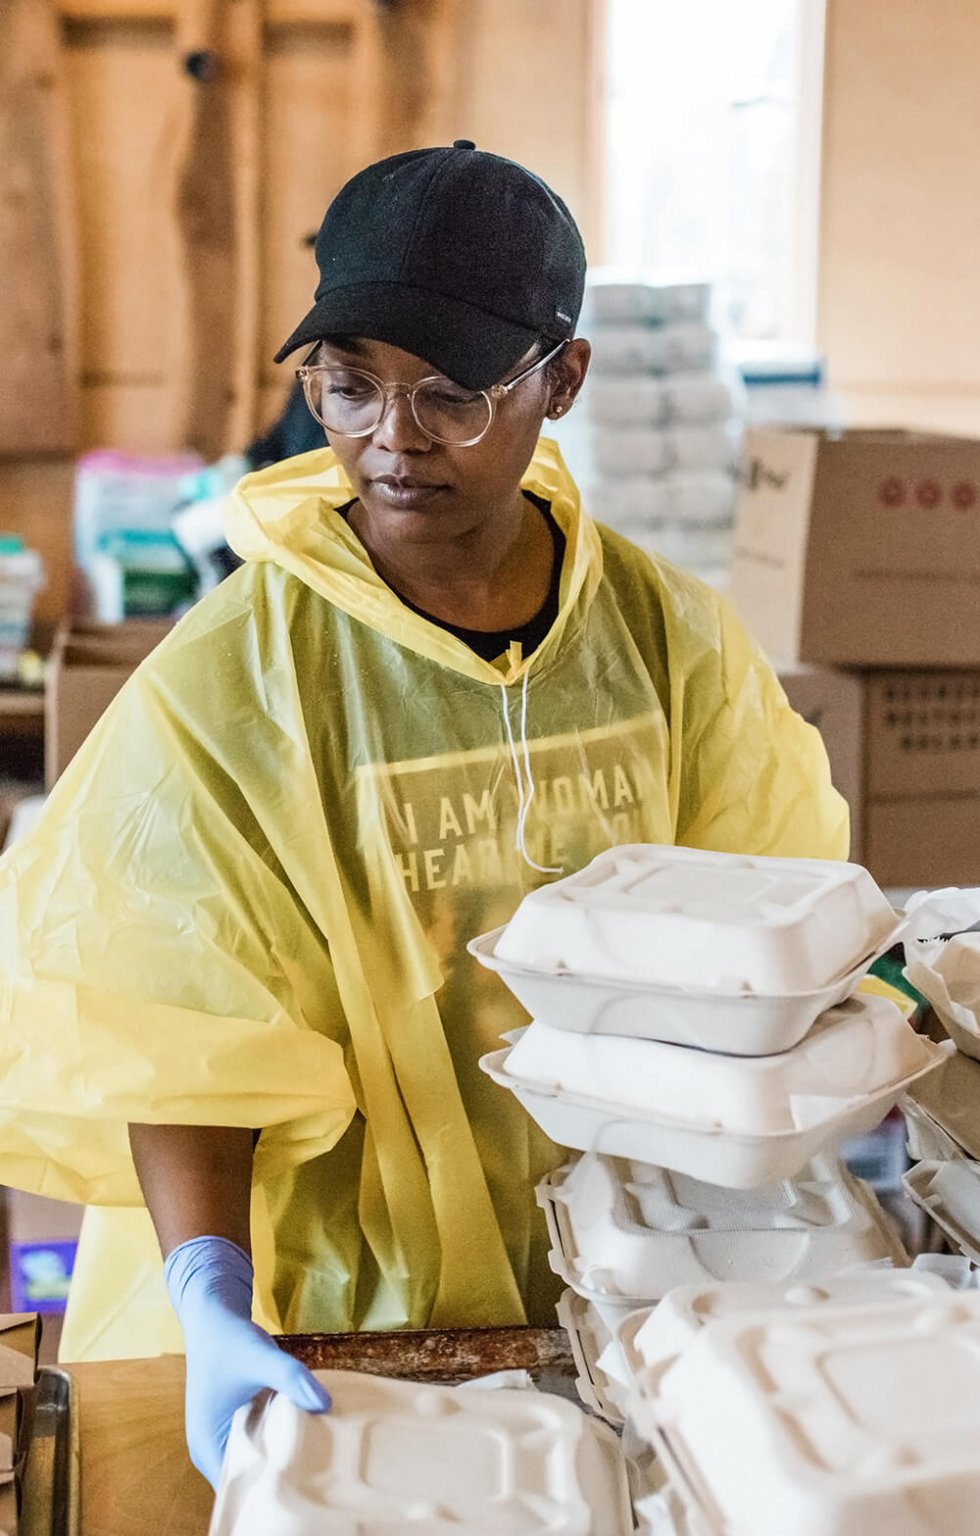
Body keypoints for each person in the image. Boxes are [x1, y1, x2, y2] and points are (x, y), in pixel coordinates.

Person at [0, 141, 847, 1487]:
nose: (393, 441)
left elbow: (767, 932)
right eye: (348, 388)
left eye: (451, 396)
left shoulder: (664, 647)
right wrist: (215, 1296)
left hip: (626, 1251)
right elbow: (170, 1031)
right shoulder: (239, 679)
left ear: (560, 379)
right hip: (333, 1307)